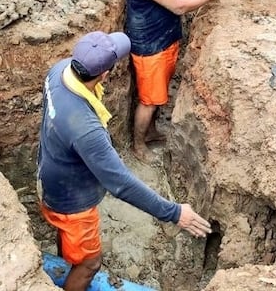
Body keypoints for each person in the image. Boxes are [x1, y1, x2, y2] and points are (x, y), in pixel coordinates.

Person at [37, 31, 212, 291]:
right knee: (89, 265)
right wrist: (174, 213)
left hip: (50, 175)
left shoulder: (59, 70)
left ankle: (67, 256)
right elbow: (120, 183)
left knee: (69, 239)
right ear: (104, 74)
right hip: (71, 201)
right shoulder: (85, 129)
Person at [124, 0, 235, 163]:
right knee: (149, 99)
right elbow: (179, 5)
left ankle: (151, 131)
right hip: (150, 45)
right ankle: (139, 145)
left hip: (166, 38)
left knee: (158, 94)